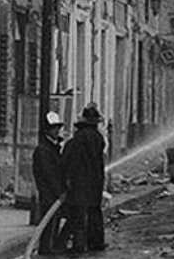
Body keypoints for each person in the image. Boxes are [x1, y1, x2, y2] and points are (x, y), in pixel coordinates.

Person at [62, 103, 107, 253]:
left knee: (79, 215)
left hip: (79, 183)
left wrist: (68, 179)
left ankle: (79, 245)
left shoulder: (78, 139)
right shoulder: (98, 138)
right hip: (95, 182)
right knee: (95, 212)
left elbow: (70, 161)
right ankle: (96, 242)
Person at [33, 111, 67, 255]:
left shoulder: (52, 147)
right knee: (49, 221)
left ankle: (50, 246)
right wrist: (59, 192)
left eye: (58, 127)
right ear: (47, 130)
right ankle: (46, 248)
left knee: (54, 219)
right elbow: (49, 174)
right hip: (48, 192)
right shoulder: (43, 150)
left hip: (54, 192)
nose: (57, 131)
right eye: (54, 128)